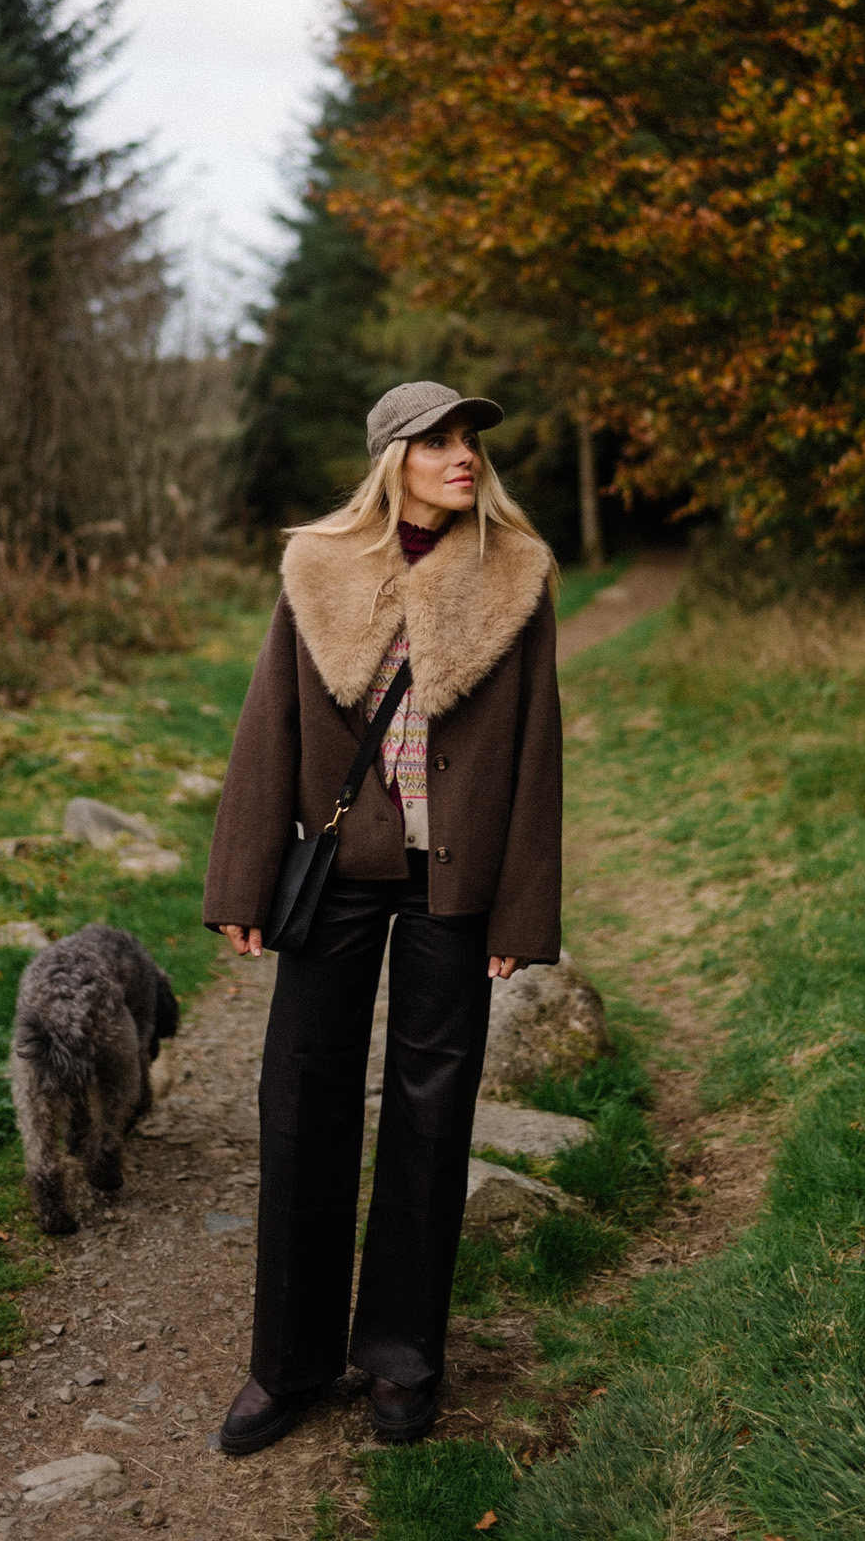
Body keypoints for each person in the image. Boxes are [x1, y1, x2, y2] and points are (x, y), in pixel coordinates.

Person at [202, 379, 563, 1454]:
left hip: (455, 881)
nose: (462, 457)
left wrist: (521, 909)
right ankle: (288, 1367)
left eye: (469, 443)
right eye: (437, 441)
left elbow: (538, 751)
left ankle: (403, 1359)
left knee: (430, 1108)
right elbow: (267, 722)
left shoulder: (518, 575)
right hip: (338, 869)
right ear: (390, 457)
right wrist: (240, 882)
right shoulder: (316, 564)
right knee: (301, 1094)